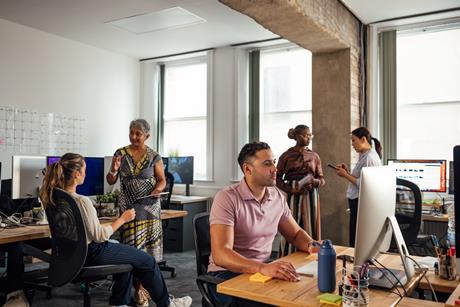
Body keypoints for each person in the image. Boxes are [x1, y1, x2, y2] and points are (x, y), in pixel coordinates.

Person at [39, 153, 192, 307]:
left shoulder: (53, 196)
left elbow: (86, 231)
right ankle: (167, 304)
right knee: (148, 261)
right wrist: (122, 219)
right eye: (85, 170)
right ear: (77, 174)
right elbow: (99, 236)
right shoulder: (82, 201)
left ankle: (119, 303)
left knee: (125, 255)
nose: (86, 173)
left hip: (73, 254)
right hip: (92, 252)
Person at [208, 142, 321, 306]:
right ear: (248, 169)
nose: (275, 169)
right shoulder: (227, 198)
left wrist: (313, 245)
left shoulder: (276, 196)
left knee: (305, 293)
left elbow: (295, 234)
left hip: (261, 271)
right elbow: (221, 254)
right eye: (267, 164)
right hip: (226, 275)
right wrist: (262, 268)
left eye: (274, 162)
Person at [106, 119, 166, 306]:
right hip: (129, 211)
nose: (133, 137)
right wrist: (114, 170)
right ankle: (134, 290)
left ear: (147, 136)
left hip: (149, 210)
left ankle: (142, 290)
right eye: (131, 133)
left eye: (137, 134)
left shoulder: (154, 156)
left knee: (147, 252)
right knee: (131, 253)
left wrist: (158, 190)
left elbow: (162, 180)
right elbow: (110, 180)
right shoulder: (120, 153)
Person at [276, 125, 325, 255]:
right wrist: (290, 188)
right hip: (293, 195)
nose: (308, 138)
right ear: (297, 137)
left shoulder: (314, 156)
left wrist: (314, 182)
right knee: (291, 225)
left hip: (311, 195)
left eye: (310, 135)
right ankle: (288, 255)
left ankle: (312, 252)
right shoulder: (286, 156)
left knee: (311, 224)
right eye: (305, 135)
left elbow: (321, 179)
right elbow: (277, 178)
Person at [333, 127, 382, 247]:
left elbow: (366, 184)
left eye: (354, 140)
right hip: (356, 200)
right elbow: (360, 177)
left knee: (356, 238)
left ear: (363, 139)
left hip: (360, 201)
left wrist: (345, 175)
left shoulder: (370, 158)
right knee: (355, 235)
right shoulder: (365, 155)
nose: (352, 144)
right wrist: (347, 172)